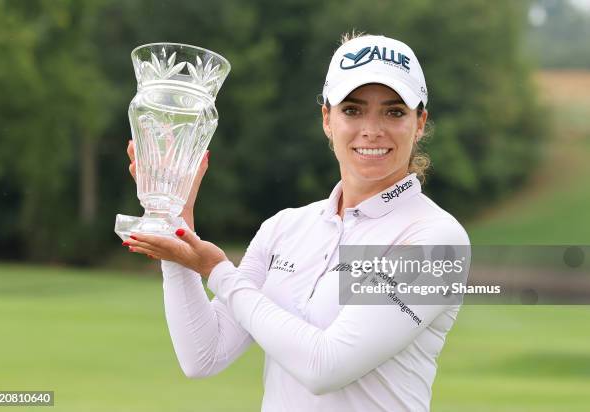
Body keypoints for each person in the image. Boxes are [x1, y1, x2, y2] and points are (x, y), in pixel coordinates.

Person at [124, 33, 470, 412]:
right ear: (327, 119)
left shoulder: (436, 238)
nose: (372, 129)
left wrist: (216, 270)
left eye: (394, 111)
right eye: (352, 110)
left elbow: (326, 366)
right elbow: (203, 355)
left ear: (420, 123)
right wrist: (178, 236)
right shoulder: (286, 227)